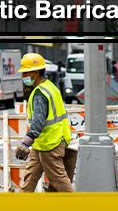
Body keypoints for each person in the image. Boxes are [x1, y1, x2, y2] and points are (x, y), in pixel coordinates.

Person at [15, 53, 74, 193]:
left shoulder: (40, 93)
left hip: (50, 144)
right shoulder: (50, 87)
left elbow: (38, 123)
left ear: (35, 73)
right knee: (30, 178)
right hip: (44, 143)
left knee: (59, 180)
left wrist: (24, 143)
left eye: (25, 73)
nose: (23, 77)